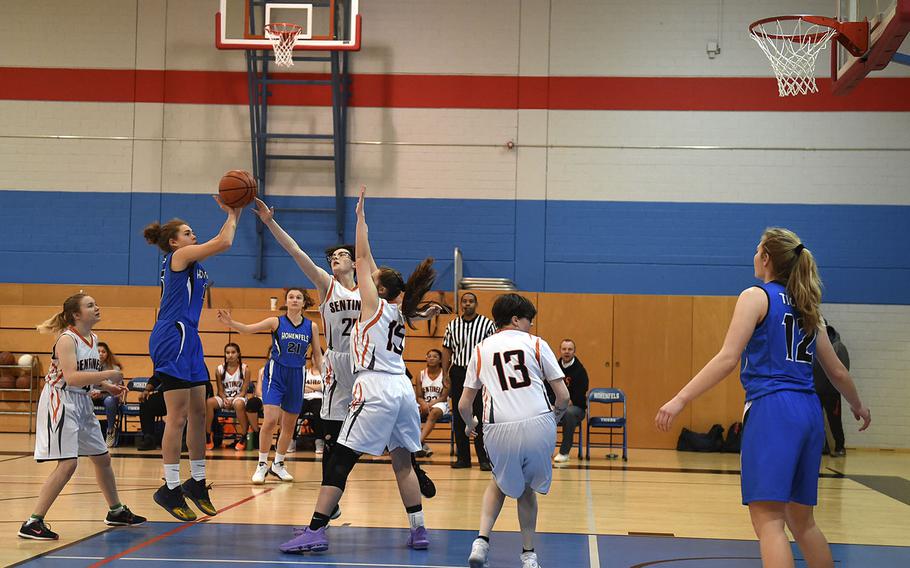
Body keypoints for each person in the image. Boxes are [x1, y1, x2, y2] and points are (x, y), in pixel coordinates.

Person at [655, 228, 872, 568]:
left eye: (757, 250)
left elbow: (728, 358)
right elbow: (838, 373)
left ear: (767, 258)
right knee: (803, 522)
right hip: (809, 411)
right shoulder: (808, 308)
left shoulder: (756, 296)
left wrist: (681, 399)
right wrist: (858, 405)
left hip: (773, 409)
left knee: (769, 522)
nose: (754, 256)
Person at [278, 187, 440, 554]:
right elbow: (374, 268)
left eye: (374, 277)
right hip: (402, 389)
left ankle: (316, 530)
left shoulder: (373, 304)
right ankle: (418, 529)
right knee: (402, 461)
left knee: (340, 457)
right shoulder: (400, 313)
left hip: (375, 388)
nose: (369, 274)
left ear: (378, 288)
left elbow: (363, 254)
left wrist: (360, 216)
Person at [252, 197, 363, 498]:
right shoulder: (328, 284)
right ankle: (331, 490)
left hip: (365, 364)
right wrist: (270, 222)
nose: (336, 258)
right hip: (339, 362)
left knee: (379, 427)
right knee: (332, 429)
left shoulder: (367, 287)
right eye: (333, 256)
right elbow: (295, 251)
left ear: (355, 262)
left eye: (343, 254)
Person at [144, 195, 242, 521]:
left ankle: (196, 482)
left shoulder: (194, 265)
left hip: (191, 338)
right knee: (178, 416)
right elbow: (225, 241)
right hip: (172, 335)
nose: (192, 235)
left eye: (191, 232)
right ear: (173, 242)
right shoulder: (179, 256)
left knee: (200, 412)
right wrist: (234, 210)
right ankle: (169, 487)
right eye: (186, 232)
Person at [19, 294, 145, 540]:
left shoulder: (93, 338)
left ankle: (116, 511)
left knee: (103, 458)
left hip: (82, 401)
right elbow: (73, 377)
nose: (97, 307)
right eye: (90, 305)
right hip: (61, 400)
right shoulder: (66, 339)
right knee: (68, 463)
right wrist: (109, 374)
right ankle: (32, 522)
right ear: (76, 315)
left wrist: (108, 386)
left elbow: (89, 372)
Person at [460, 293, 570, 568]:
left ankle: (481, 542)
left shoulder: (480, 348)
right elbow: (564, 396)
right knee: (527, 489)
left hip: (497, 426)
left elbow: (464, 403)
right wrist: (553, 419)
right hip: (538, 422)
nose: (530, 326)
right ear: (515, 319)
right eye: (528, 321)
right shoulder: (536, 344)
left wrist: (469, 424)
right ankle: (529, 555)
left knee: (498, 480)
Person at [218, 288, 319, 484]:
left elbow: (317, 354)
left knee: (289, 425)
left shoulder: (311, 326)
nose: (295, 300)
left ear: (304, 302)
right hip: (276, 373)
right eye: (291, 297)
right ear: (286, 301)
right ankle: (262, 464)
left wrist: (325, 371)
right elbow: (248, 329)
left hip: (298, 375)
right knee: (271, 420)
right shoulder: (276, 322)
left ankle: (279, 464)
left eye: (299, 297)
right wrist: (231, 323)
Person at [444, 292, 496, 469]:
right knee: (459, 415)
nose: (467, 304)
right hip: (458, 372)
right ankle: (463, 458)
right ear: (461, 304)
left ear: (476, 304)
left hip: (480, 373)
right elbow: (447, 350)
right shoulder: (452, 325)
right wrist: (445, 373)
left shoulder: (487, 324)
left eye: (470, 301)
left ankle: (483, 458)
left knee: (481, 414)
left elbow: (492, 349)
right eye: (464, 301)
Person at [546, 339, 589, 463]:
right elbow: (548, 388)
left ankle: (564, 452)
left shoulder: (580, 371)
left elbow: (581, 394)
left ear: (574, 351)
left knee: (569, 413)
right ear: (560, 350)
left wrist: (567, 401)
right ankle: (545, 451)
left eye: (570, 349)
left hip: (576, 408)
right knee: (543, 412)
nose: (567, 352)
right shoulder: (554, 367)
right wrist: (553, 403)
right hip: (557, 405)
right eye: (564, 349)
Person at [205, 343, 251, 451]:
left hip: (239, 397)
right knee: (209, 402)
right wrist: (225, 398)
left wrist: (234, 399)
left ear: (238, 354)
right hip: (225, 397)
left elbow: (244, 391)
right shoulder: (219, 369)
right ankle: (208, 435)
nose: (230, 355)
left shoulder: (245, 369)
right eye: (227, 353)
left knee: (239, 404)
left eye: (233, 352)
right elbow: (220, 390)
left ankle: (243, 436)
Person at [814, 324, 850, 457]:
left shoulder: (838, 347)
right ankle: (825, 447)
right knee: (818, 421)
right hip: (817, 390)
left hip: (832, 392)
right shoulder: (816, 347)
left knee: (834, 421)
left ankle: (840, 447)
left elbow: (843, 370)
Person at [415, 348, 450, 456]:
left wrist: (428, 405)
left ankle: (417, 444)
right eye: (429, 356)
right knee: (410, 412)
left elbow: (444, 397)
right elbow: (419, 396)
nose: (431, 358)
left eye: (435, 356)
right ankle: (422, 445)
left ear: (440, 360)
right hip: (424, 403)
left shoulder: (445, 376)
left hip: (440, 404)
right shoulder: (420, 374)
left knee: (434, 412)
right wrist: (423, 404)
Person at [91, 342, 125, 447]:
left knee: (110, 400)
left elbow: (115, 388)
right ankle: (85, 432)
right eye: (98, 352)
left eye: (103, 352)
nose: (100, 354)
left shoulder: (114, 368)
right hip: (91, 395)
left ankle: (110, 431)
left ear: (107, 354)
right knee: (81, 399)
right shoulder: (89, 366)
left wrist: (100, 393)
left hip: (108, 395)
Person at [299, 340, 326, 455]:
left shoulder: (325, 372)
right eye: (313, 356)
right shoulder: (305, 372)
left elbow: (324, 387)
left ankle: (319, 441)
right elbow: (300, 387)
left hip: (318, 399)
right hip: (304, 398)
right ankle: (291, 441)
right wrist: (316, 387)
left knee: (318, 412)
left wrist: (309, 386)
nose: (316, 359)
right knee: (293, 411)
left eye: (318, 356)